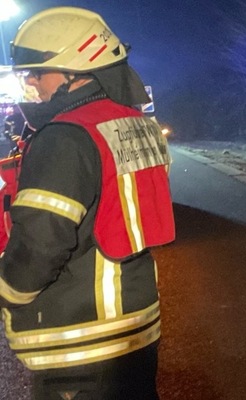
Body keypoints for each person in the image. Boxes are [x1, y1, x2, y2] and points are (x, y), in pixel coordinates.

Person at [0, 7, 175, 399]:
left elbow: (41, 244)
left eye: (36, 73)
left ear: (74, 71)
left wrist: (7, 289)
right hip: (135, 327)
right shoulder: (134, 123)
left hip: (81, 341)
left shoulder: (64, 137)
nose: (30, 84)